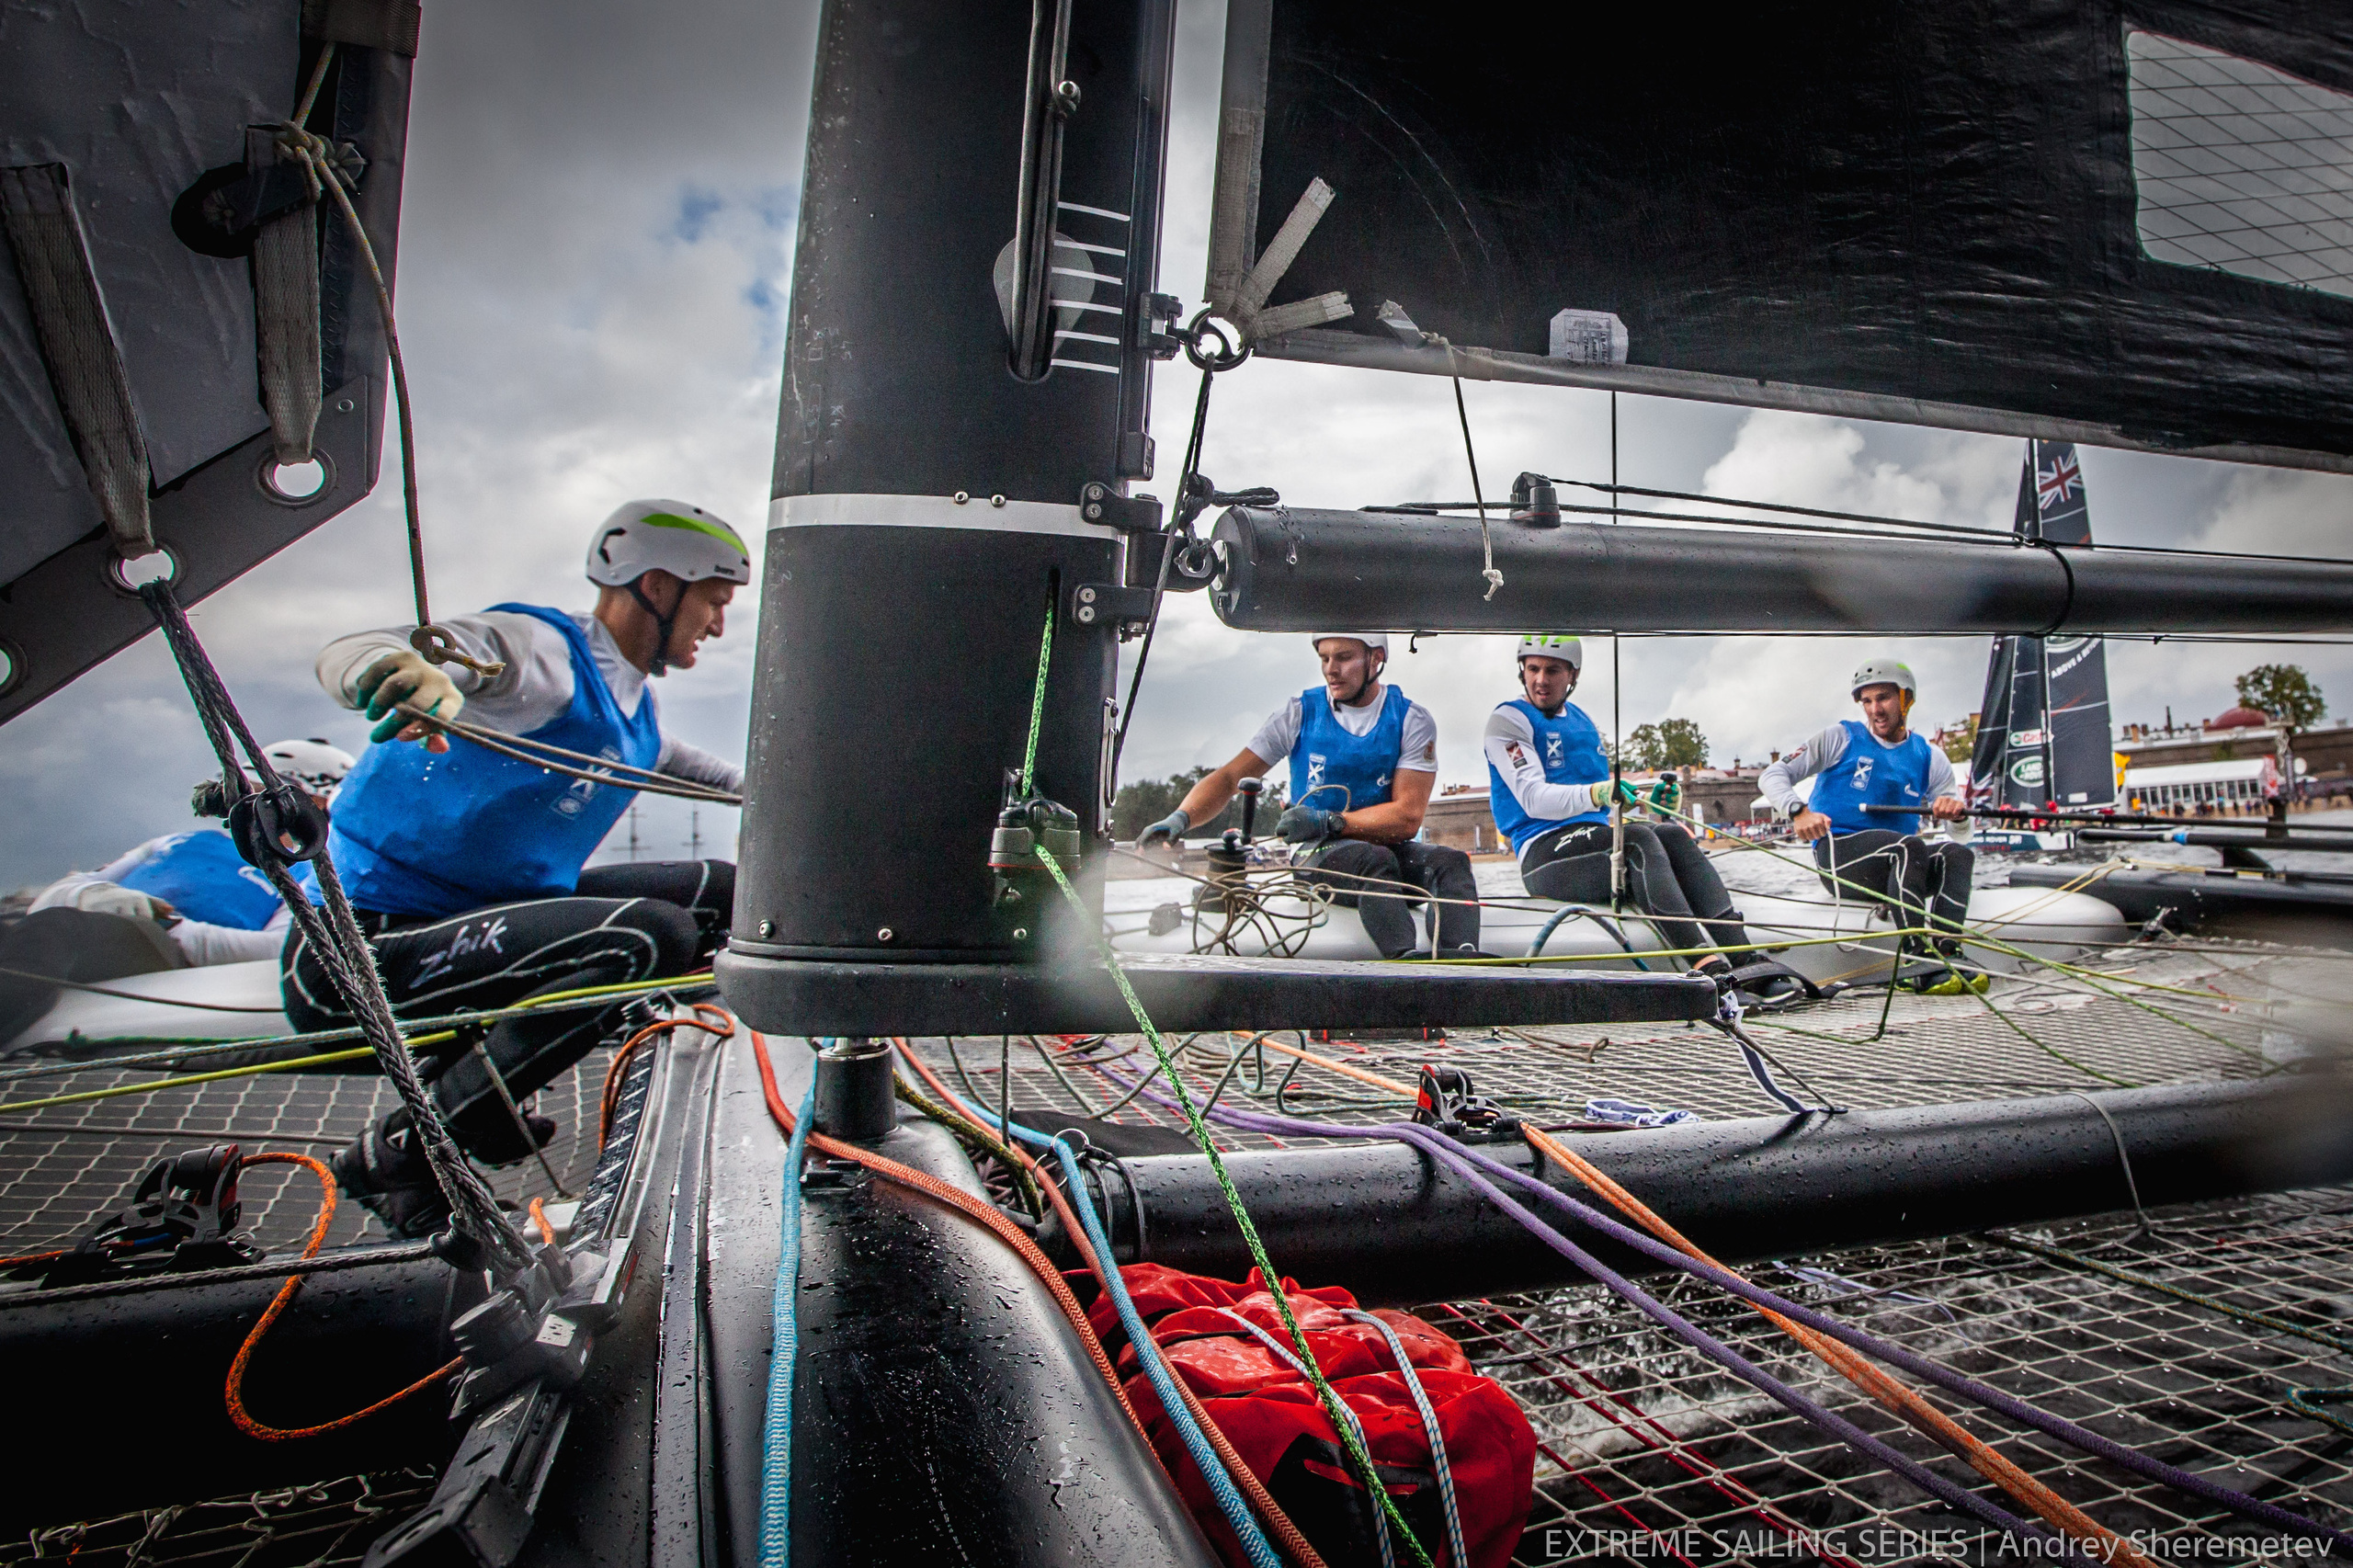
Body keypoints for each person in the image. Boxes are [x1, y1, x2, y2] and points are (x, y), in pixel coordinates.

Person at [298, 499, 751, 1235]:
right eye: (715, 602)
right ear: (661, 587)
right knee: (648, 935)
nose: (720, 626)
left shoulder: (632, 708)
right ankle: (402, 1150)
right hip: (360, 954)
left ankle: (501, 1095)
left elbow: (716, 778)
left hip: (464, 927)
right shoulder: (540, 654)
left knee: (726, 894)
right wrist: (395, 674)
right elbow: (371, 648)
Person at [1485, 635, 1803, 1004]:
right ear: (1521, 671)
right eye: (1533, 669)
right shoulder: (1507, 720)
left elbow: (1599, 803)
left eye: (1552, 670)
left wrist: (1645, 803)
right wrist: (1600, 793)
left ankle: (1745, 959)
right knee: (1638, 841)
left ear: (1572, 675)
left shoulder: (1581, 721)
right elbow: (1534, 798)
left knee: (1672, 833)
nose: (1541, 679)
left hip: (1590, 835)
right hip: (1543, 851)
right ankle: (1708, 970)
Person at [1138, 633, 1481, 959]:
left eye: (1344, 658)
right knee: (1374, 861)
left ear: (1376, 659)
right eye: (1324, 658)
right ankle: (1405, 963)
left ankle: (1461, 964)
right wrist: (1180, 818)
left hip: (1382, 849)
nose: (1331, 669)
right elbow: (1230, 777)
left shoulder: (1412, 719)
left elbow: (1407, 818)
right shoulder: (1298, 713)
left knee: (1451, 863)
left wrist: (1328, 821)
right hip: (1315, 856)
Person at [0, 741, 355, 1045]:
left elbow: (283, 947)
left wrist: (177, 931)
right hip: (85, 929)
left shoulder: (310, 872)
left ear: (314, 806)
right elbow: (61, 891)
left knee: (60, 927)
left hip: (158, 947)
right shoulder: (175, 842)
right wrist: (94, 896)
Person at [1759, 658, 1981, 994]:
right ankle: (1915, 958)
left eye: (1884, 698)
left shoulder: (1931, 757)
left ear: (1906, 699)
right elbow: (1772, 775)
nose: (1875, 709)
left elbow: (1961, 837)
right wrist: (1798, 811)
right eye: (1867, 700)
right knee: (1908, 846)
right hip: (1841, 858)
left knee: (1956, 856)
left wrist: (1959, 817)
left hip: (1903, 864)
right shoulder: (1840, 738)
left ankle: (1948, 950)